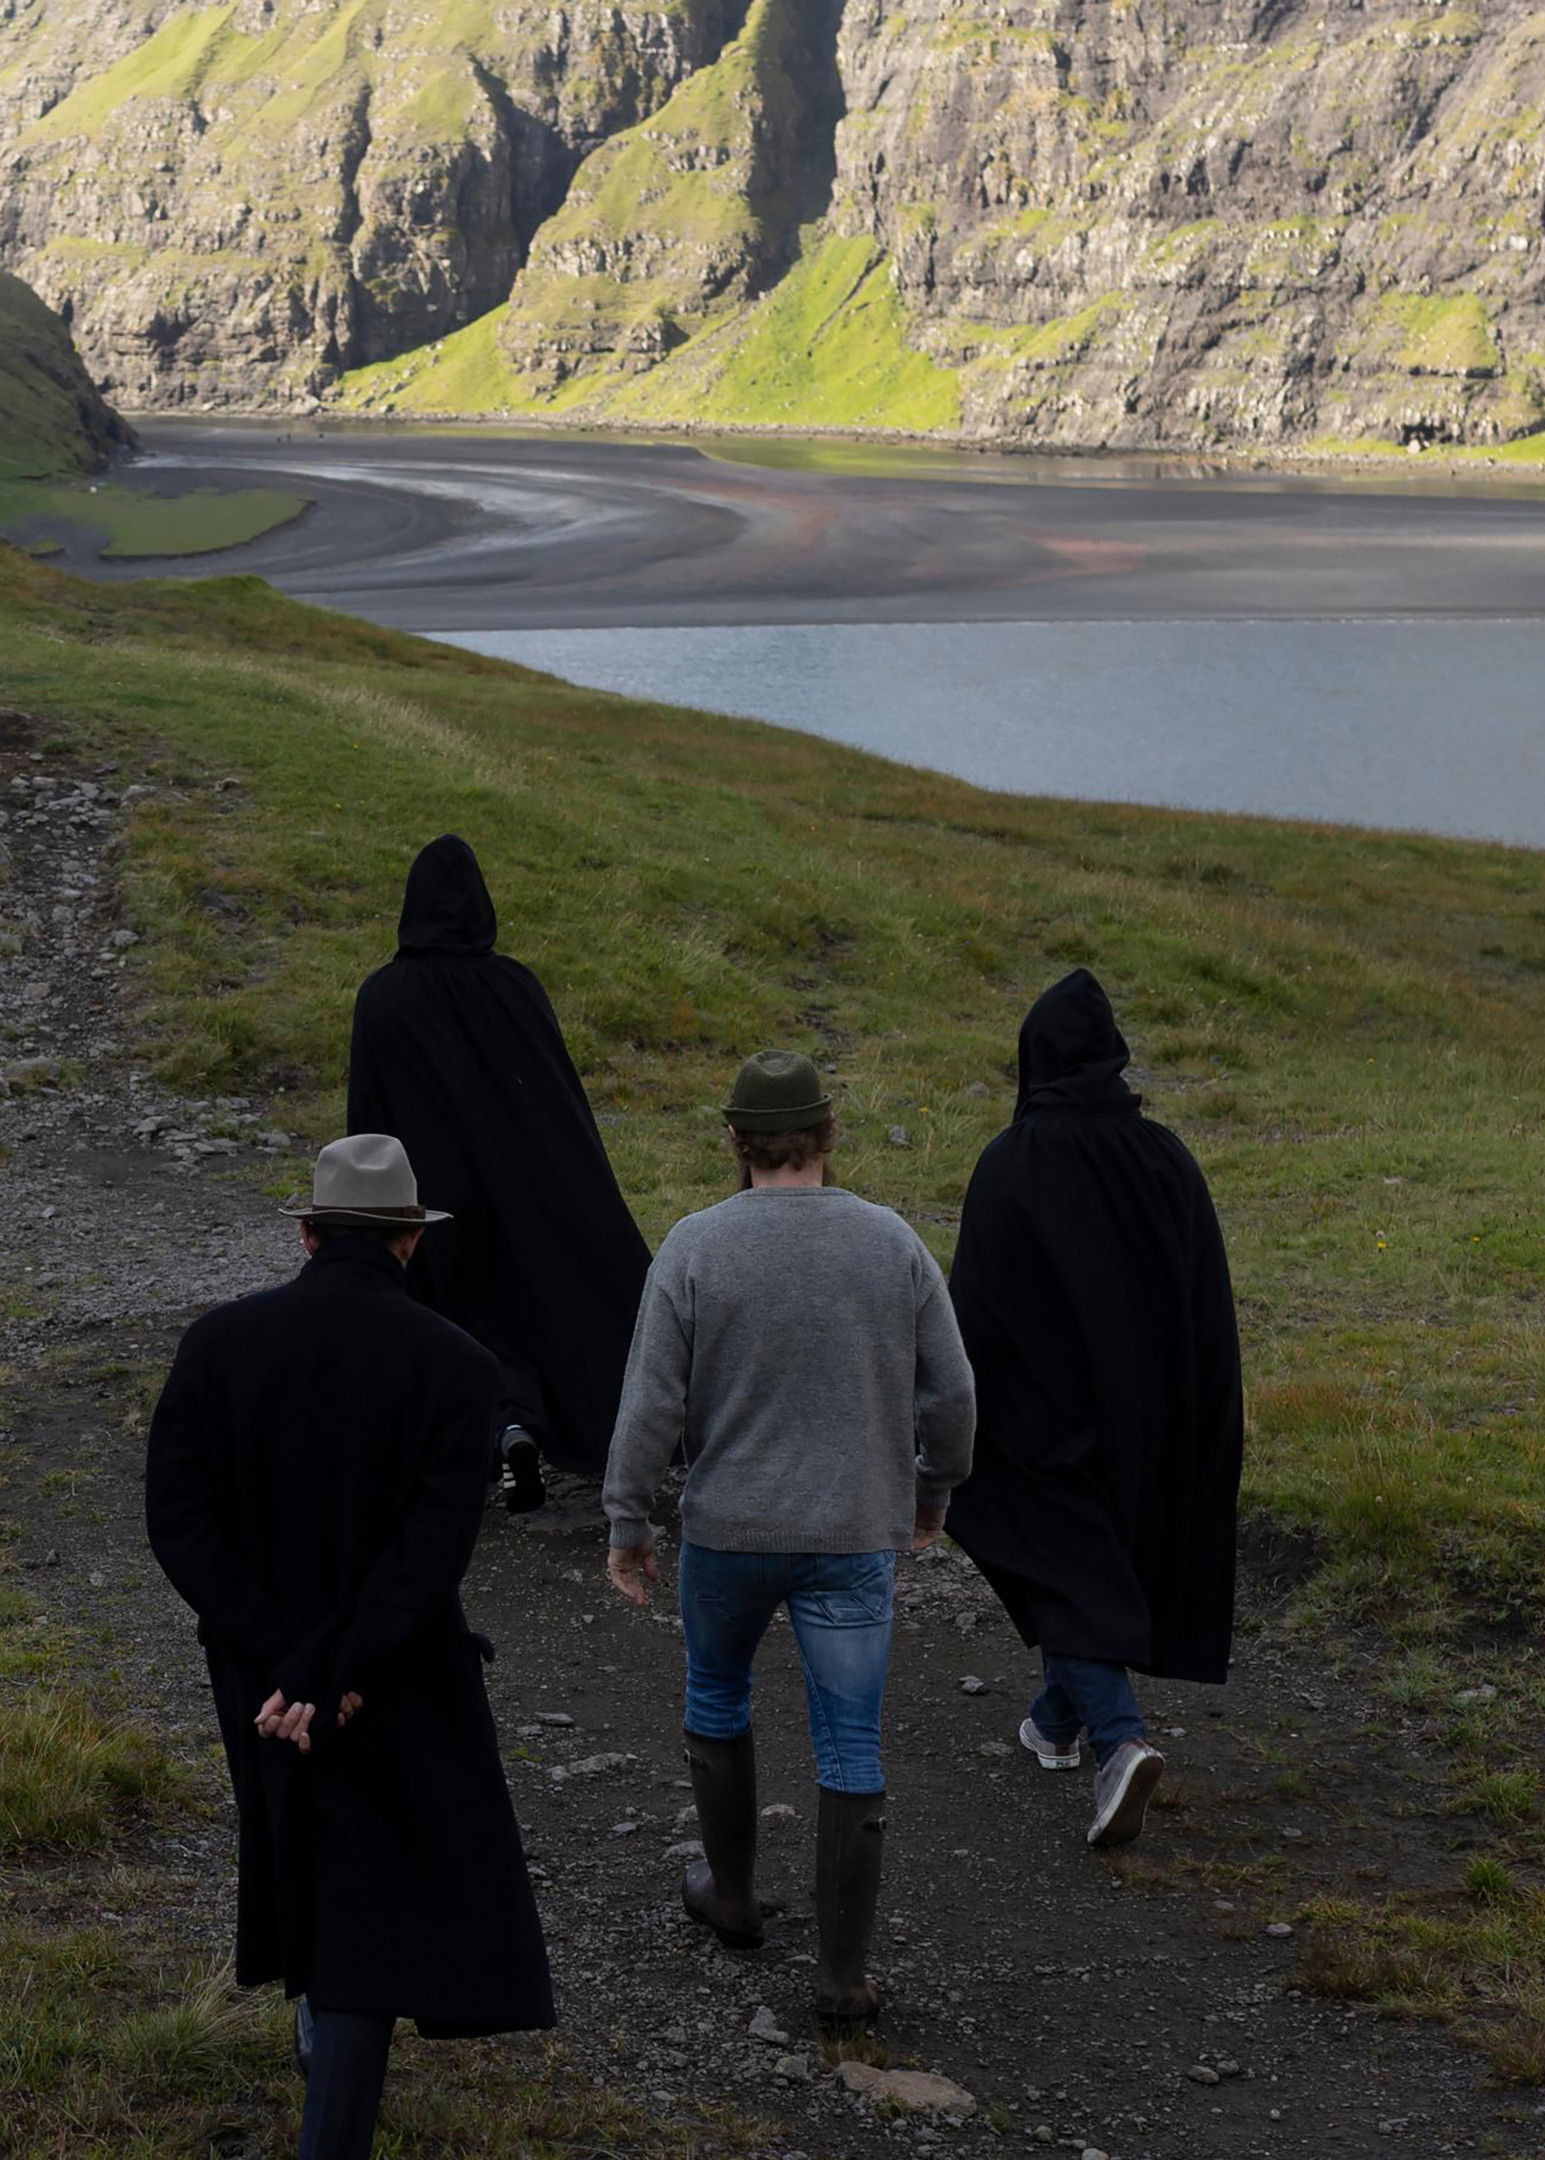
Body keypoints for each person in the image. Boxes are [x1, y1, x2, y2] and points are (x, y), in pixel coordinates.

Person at [146, 1133, 555, 2160]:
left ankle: (322, 2046)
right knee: (368, 1893)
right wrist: (337, 1675)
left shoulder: (218, 1345)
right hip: (392, 1670)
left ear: (308, 1233)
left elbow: (181, 1522)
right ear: (411, 1241)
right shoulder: (459, 1369)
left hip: (259, 1674)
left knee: (307, 1851)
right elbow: (429, 1554)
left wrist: (286, 1665)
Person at [602, 1051, 973, 2033]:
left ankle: (731, 1898)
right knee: (849, 1737)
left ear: (735, 1141)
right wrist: (931, 1495)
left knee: (717, 1695)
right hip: (852, 1533)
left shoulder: (692, 1247)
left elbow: (650, 1404)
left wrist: (628, 1524)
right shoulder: (890, 1242)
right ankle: (842, 1978)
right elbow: (955, 1395)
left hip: (726, 1534)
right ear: (829, 1136)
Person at [942, 970, 1245, 1852]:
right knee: (1084, 1569)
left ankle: (1120, 1744)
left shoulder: (1013, 1164)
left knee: (1054, 1562)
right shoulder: (1167, 1157)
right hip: (1150, 1415)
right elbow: (1206, 1300)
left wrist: (952, 1430)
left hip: (1040, 1424)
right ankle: (1054, 1723)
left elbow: (978, 1310)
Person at [345, 835, 653, 1513]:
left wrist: (366, 1214)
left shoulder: (384, 997)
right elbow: (557, 1103)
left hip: (430, 1201)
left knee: (452, 1319)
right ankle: (570, 1429)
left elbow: (367, 1117)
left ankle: (495, 1431)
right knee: (536, 1309)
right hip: (526, 1189)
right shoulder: (514, 986)